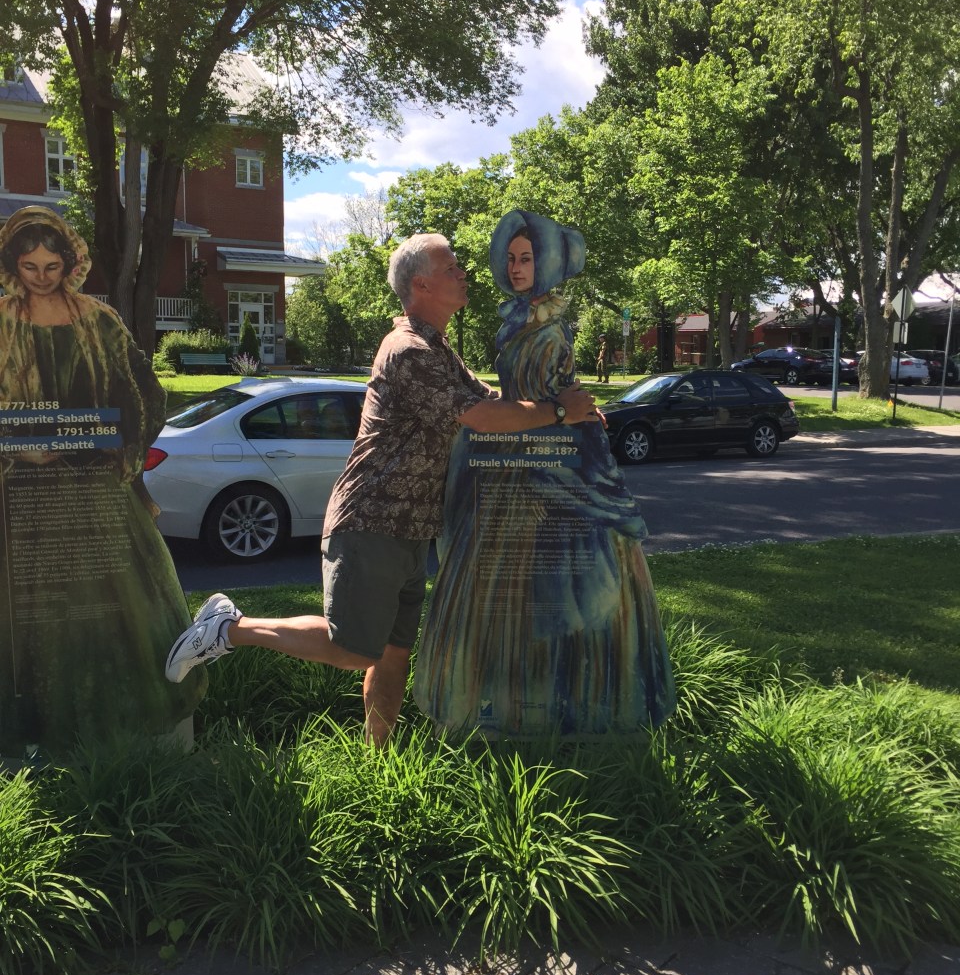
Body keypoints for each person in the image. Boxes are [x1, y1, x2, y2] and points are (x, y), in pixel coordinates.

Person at [165, 233, 598, 745]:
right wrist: (557, 411)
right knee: (353, 650)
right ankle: (228, 627)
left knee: (393, 655)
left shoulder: (437, 347)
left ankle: (379, 757)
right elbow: (482, 417)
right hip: (373, 522)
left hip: (411, 529)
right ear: (421, 284)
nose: (463, 273)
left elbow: (495, 400)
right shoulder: (409, 350)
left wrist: (571, 410)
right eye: (451, 267)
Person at [412, 209, 675, 738]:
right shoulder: (519, 318)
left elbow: (547, 394)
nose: (516, 268)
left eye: (527, 259)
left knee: (545, 580)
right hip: (519, 452)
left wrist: (573, 413)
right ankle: (512, 704)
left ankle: (554, 701)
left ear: (546, 263)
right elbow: (522, 396)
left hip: (539, 457)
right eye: (510, 258)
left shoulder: (549, 328)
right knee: (508, 584)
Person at [0, 206, 206, 763]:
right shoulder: (0, 322)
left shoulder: (99, 320)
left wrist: (122, 454)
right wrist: (15, 445)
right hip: (19, 497)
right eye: (30, 266)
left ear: (69, 263)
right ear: (13, 265)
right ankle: (35, 733)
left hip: (95, 490)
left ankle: (130, 729)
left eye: (51, 266)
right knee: (29, 614)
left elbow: (145, 392)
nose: (42, 277)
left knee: (119, 607)